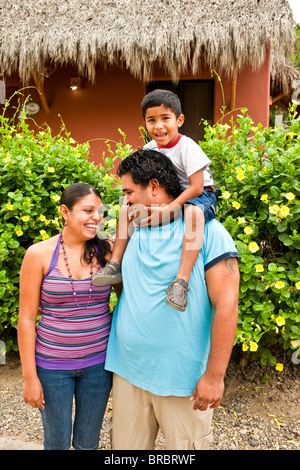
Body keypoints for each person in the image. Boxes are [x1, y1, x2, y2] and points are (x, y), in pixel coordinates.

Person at [104, 149, 240, 450]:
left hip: (184, 381)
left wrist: (215, 376)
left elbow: (227, 306)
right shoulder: (131, 228)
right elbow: (124, 286)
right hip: (128, 373)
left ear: (154, 186)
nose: (124, 201)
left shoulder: (209, 232)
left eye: (128, 192)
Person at [93, 89, 216, 312]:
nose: (158, 126)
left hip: (199, 195)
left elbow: (197, 187)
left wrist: (169, 209)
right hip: (173, 194)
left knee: (193, 214)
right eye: (151, 120)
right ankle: (115, 263)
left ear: (179, 120)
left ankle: (181, 281)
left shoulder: (188, 147)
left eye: (165, 119)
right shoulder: (150, 149)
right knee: (124, 207)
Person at [17, 183, 119, 450]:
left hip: (98, 366)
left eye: (99, 211)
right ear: (65, 211)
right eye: (87, 210)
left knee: (88, 443)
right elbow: (26, 319)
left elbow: (126, 298)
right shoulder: (38, 254)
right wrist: (30, 378)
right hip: (51, 368)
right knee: (57, 443)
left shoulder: (107, 251)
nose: (97, 217)